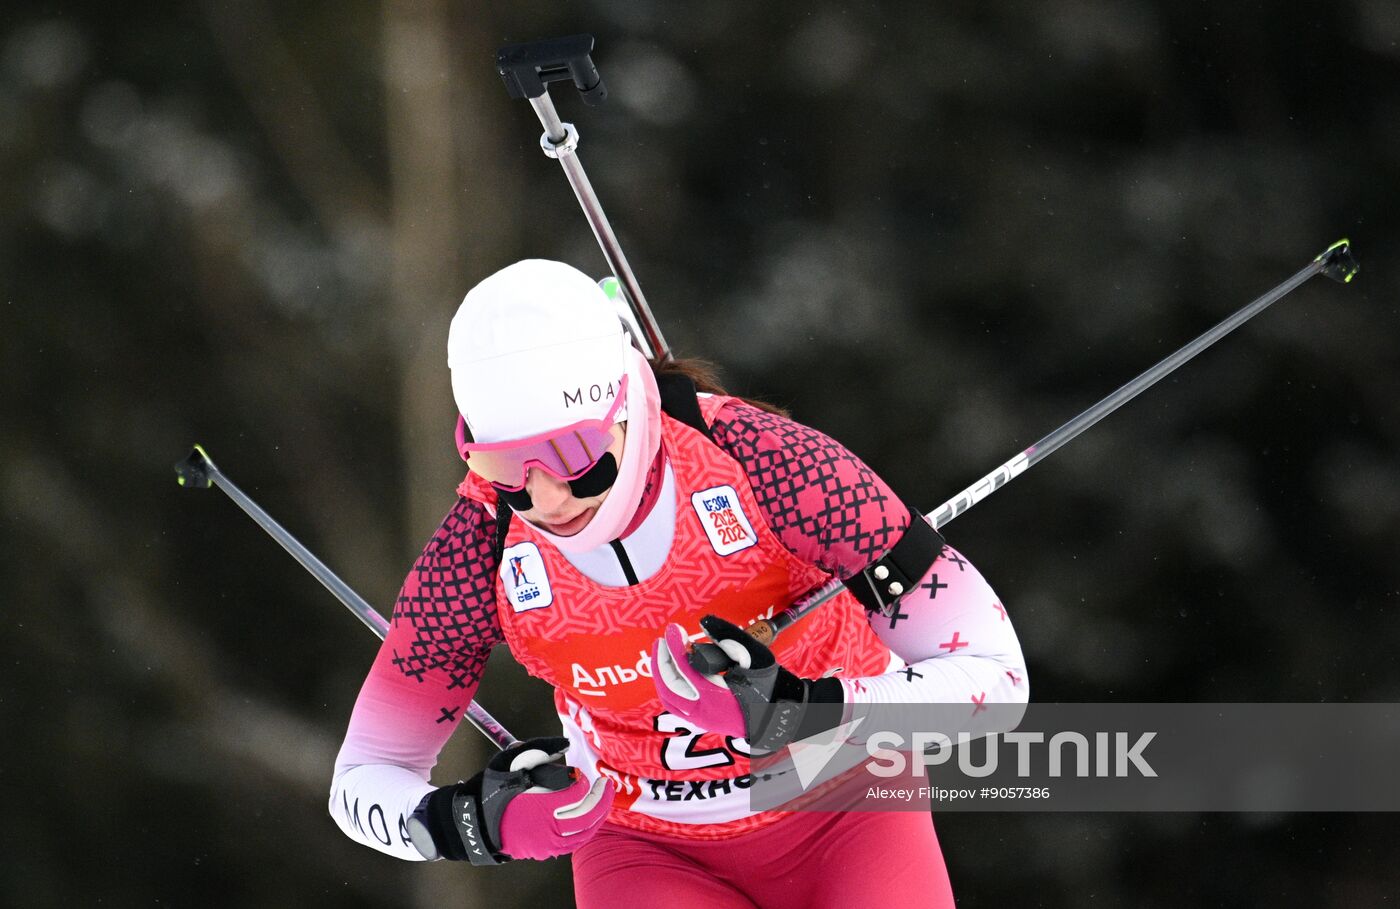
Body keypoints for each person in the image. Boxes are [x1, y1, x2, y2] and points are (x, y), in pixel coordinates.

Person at [330, 259, 1029, 908]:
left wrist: (804, 711)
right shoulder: (478, 548)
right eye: (503, 465)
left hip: (846, 806)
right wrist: (472, 823)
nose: (543, 497)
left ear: (626, 408)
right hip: (646, 847)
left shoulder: (774, 468)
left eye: (572, 455)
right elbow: (361, 778)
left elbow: (997, 683)